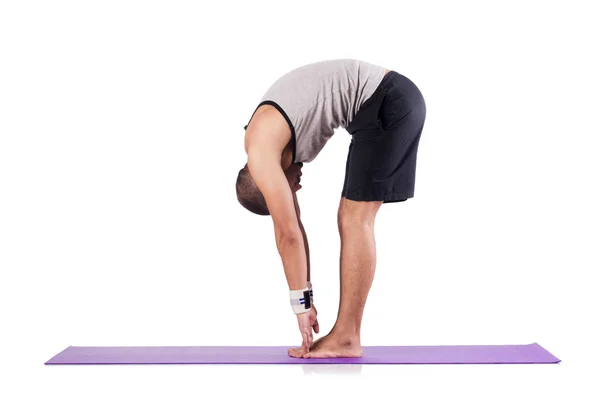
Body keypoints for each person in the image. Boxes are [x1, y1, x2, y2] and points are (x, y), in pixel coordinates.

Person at [236, 59, 426, 358]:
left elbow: (288, 236)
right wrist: (306, 297)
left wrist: (298, 308)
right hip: (383, 103)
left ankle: (347, 338)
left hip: (386, 101)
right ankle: (345, 335)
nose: (296, 189)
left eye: (289, 191)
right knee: (351, 218)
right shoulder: (266, 143)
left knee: (354, 219)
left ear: (268, 185)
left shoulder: (261, 153)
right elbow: (295, 230)